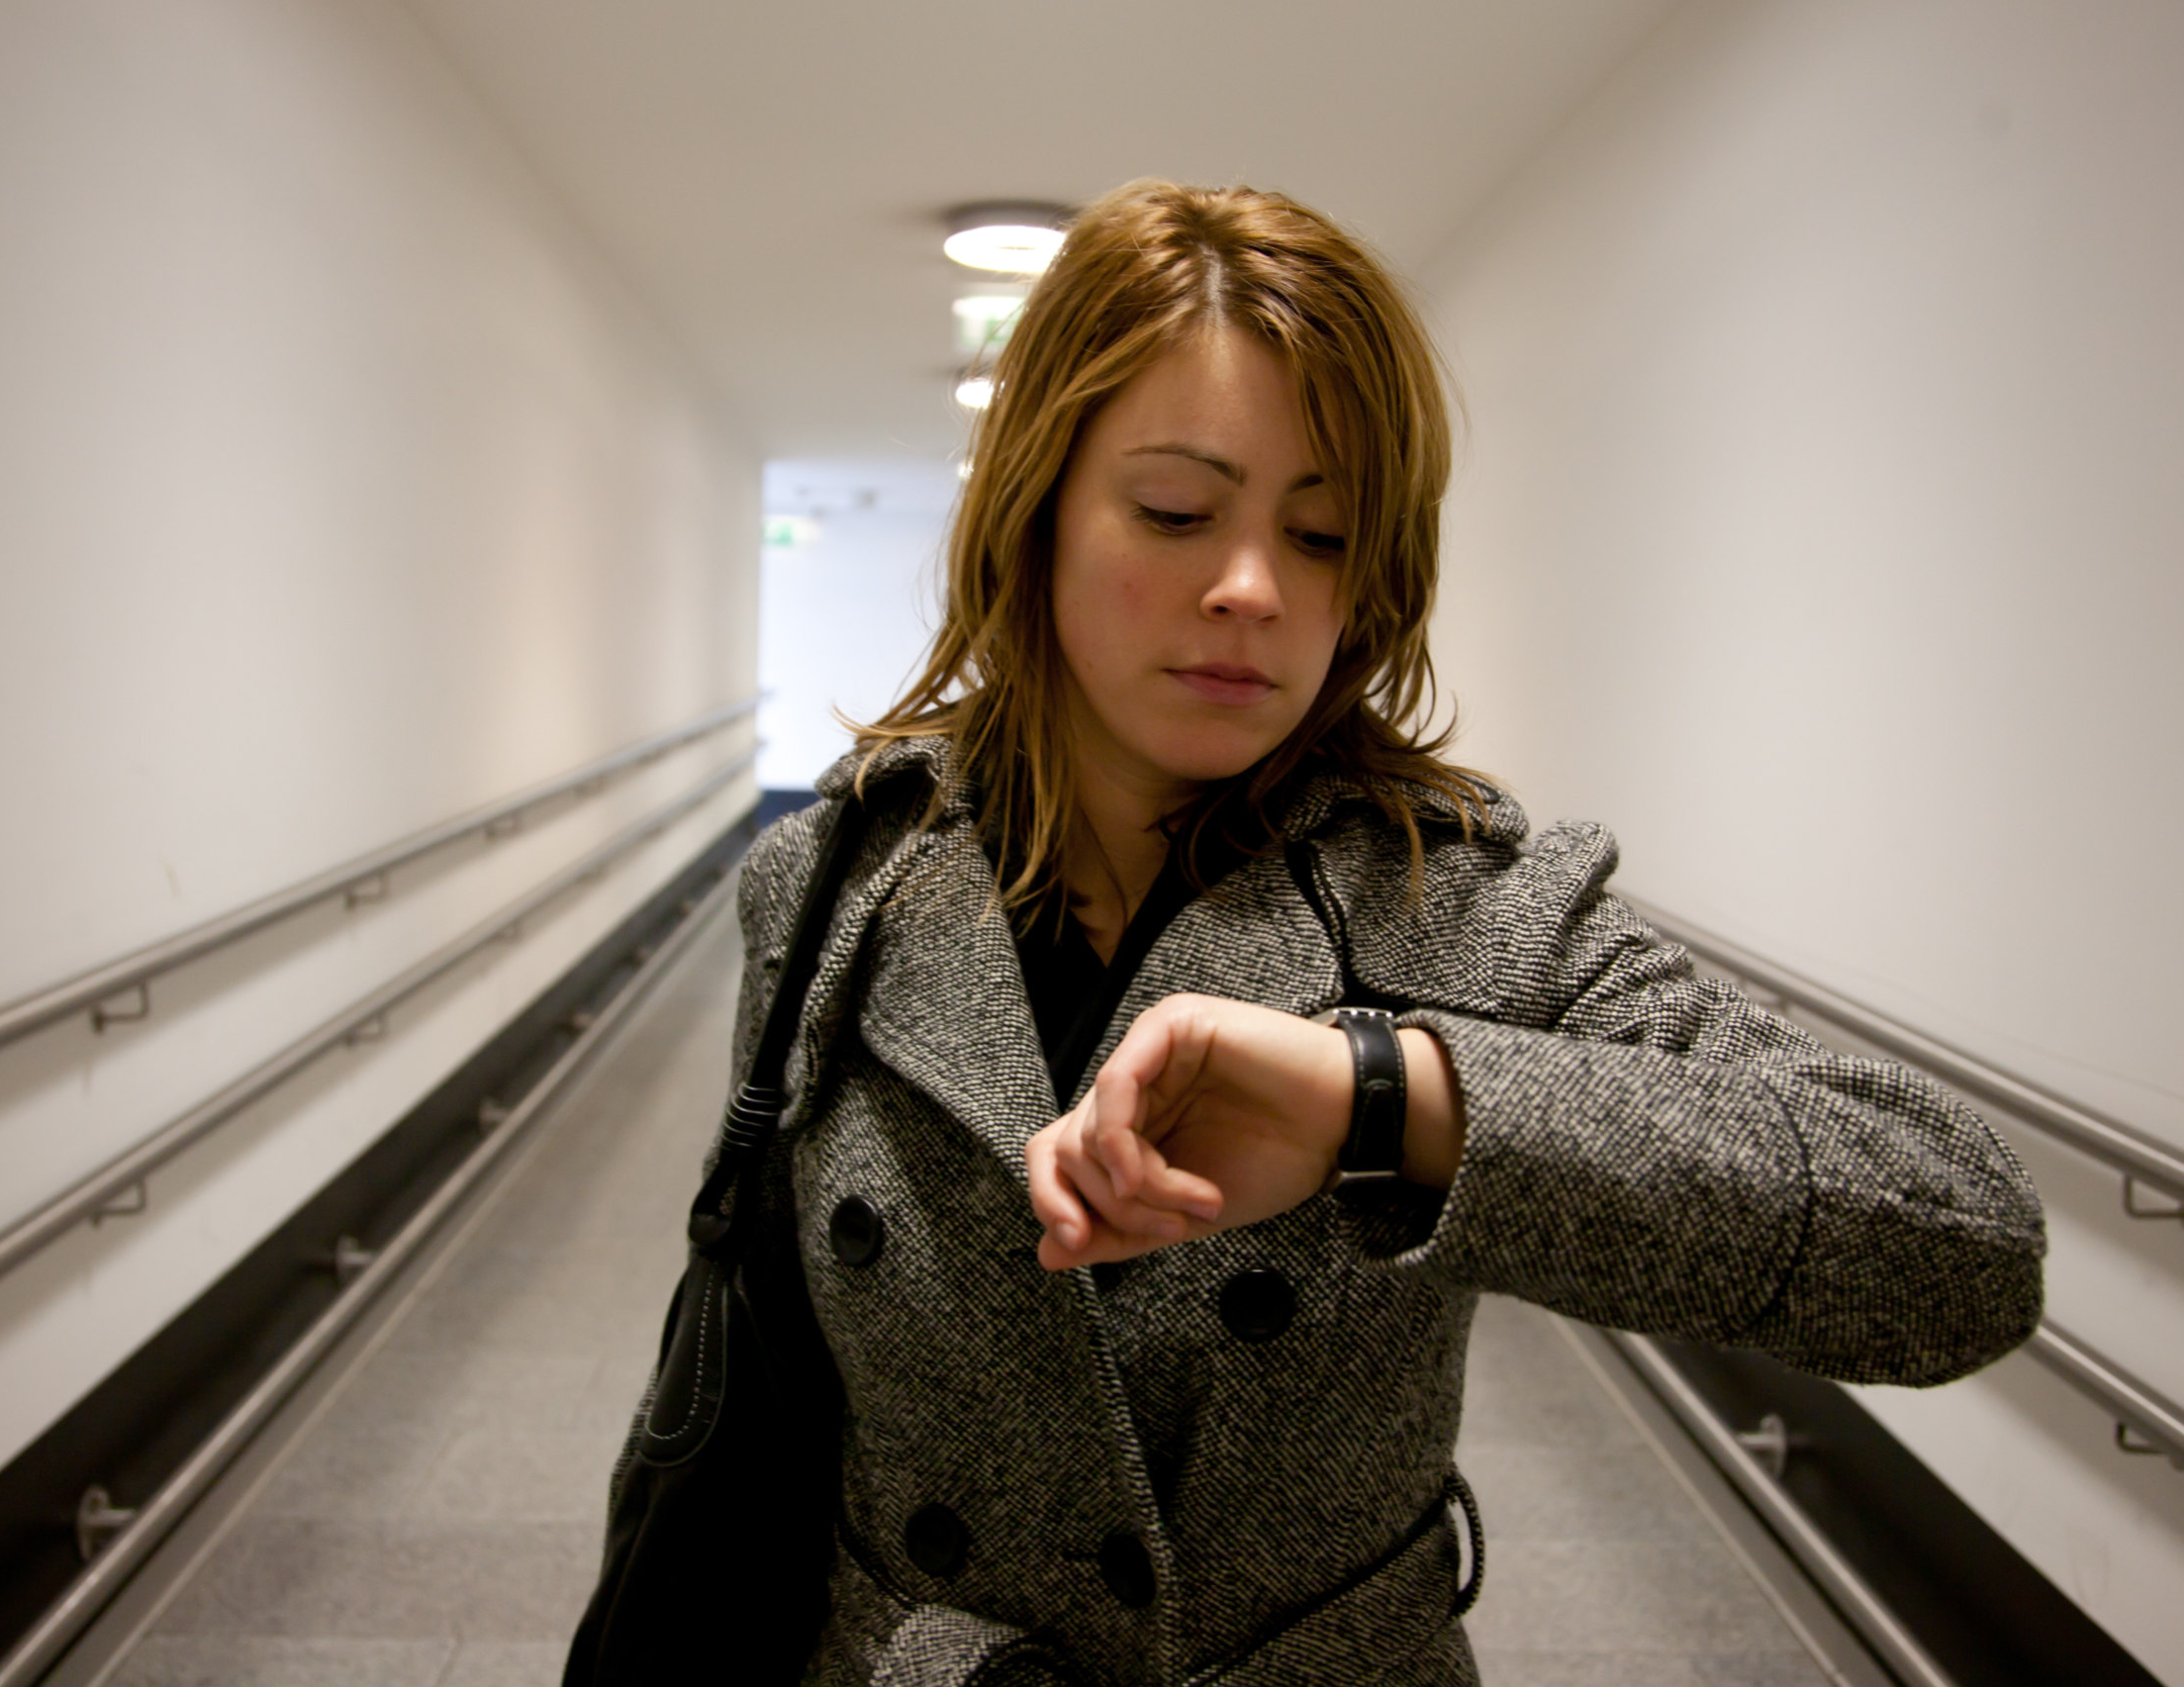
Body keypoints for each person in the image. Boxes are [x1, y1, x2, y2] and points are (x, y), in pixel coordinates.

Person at [708, 179, 2042, 1686]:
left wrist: (1392, 1096)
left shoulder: (1462, 899)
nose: (1253, 589)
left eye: (1324, 531)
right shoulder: (835, 880)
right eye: (1173, 510)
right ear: (1034, 506)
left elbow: (1960, 1240)